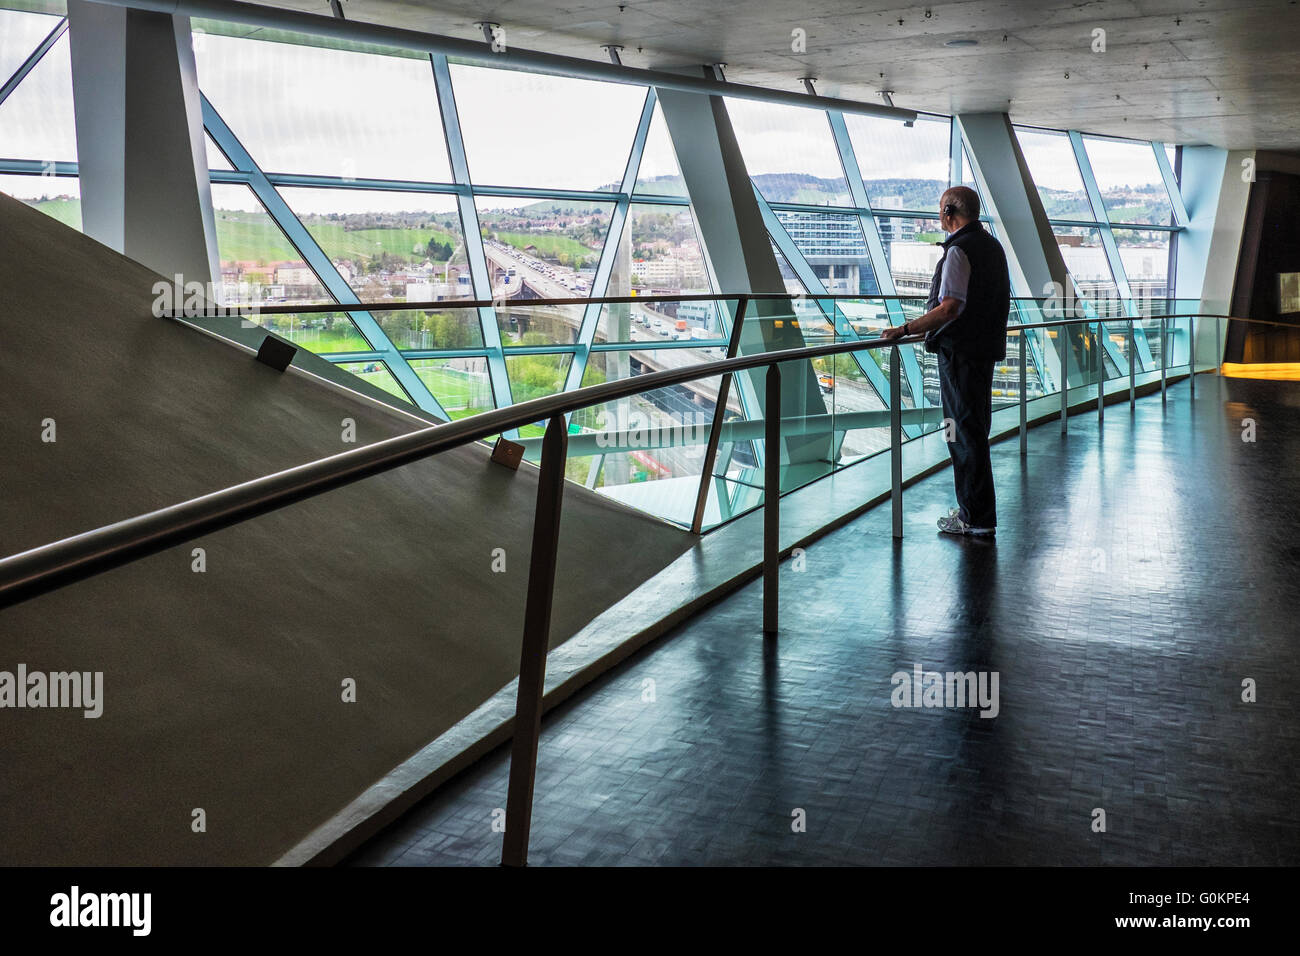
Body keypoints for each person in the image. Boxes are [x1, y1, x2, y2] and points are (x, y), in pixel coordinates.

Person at [880, 186, 1010, 536]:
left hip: (960, 356)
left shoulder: (958, 251)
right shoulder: (992, 247)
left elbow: (950, 307)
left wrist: (906, 329)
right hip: (983, 352)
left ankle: (975, 518)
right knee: (974, 431)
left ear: (950, 213)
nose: (939, 216)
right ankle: (975, 511)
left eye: (941, 209)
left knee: (962, 435)